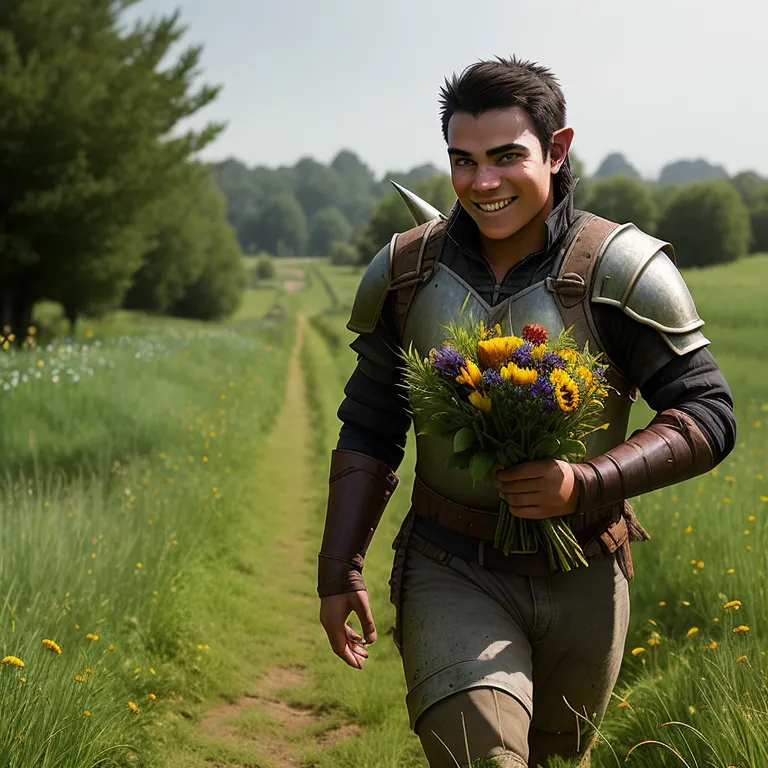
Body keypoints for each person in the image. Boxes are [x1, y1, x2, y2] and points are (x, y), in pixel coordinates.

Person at [317, 57, 736, 767]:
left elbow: (708, 412)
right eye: (463, 160)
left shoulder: (621, 271)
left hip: (586, 578)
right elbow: (370, 425)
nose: (483, 183)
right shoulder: (406, 274)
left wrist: (587, 482)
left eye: (506, 157)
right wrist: (338, 567)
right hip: (451, 568)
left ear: (558, 149)